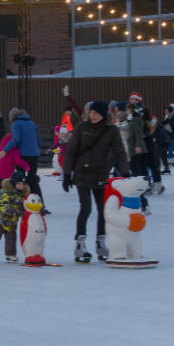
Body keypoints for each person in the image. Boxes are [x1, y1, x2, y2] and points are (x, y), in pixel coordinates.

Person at [62, 100, 130, 263]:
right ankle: (80, 245)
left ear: (103, 115)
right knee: (85, 207)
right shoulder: (81, 127)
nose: (92, 116)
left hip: (101, 173)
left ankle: (101, 243)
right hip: (81, 173)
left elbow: (119, 151)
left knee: (103, 209)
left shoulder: (111, 130)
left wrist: (125, 170)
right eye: (91, 112)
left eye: (96, 113)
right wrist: (66, 174)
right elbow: (71, 151)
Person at [0, 171, 30, 263]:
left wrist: (33, 210)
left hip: (12, 221)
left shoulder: (22, 194)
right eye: (19, 183)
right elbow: (3, 206)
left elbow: (25, 205)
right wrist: (15, 211)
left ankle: (10, 254)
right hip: (0, 219)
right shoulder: (5, 192)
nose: (21, 186)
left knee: (11, 238)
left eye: (23, 184)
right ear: (14, 183)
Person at [0, 132, 30, 210]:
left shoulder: (1, 148)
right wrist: (26, 166)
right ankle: (7, 207)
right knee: (8, 192)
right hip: (6, 175)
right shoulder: (14, 150)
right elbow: (18, 161)